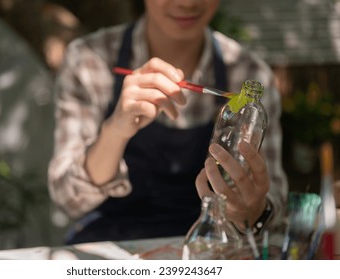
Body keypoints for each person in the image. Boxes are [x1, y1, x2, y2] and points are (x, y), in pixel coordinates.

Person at [48, 0, 288, 244]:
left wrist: (251, 210)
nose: (186, 3)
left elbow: (273, 207)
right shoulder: (90, 60)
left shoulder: (249, 73)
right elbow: (68, 199)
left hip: (207, 247)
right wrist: (115, 130)